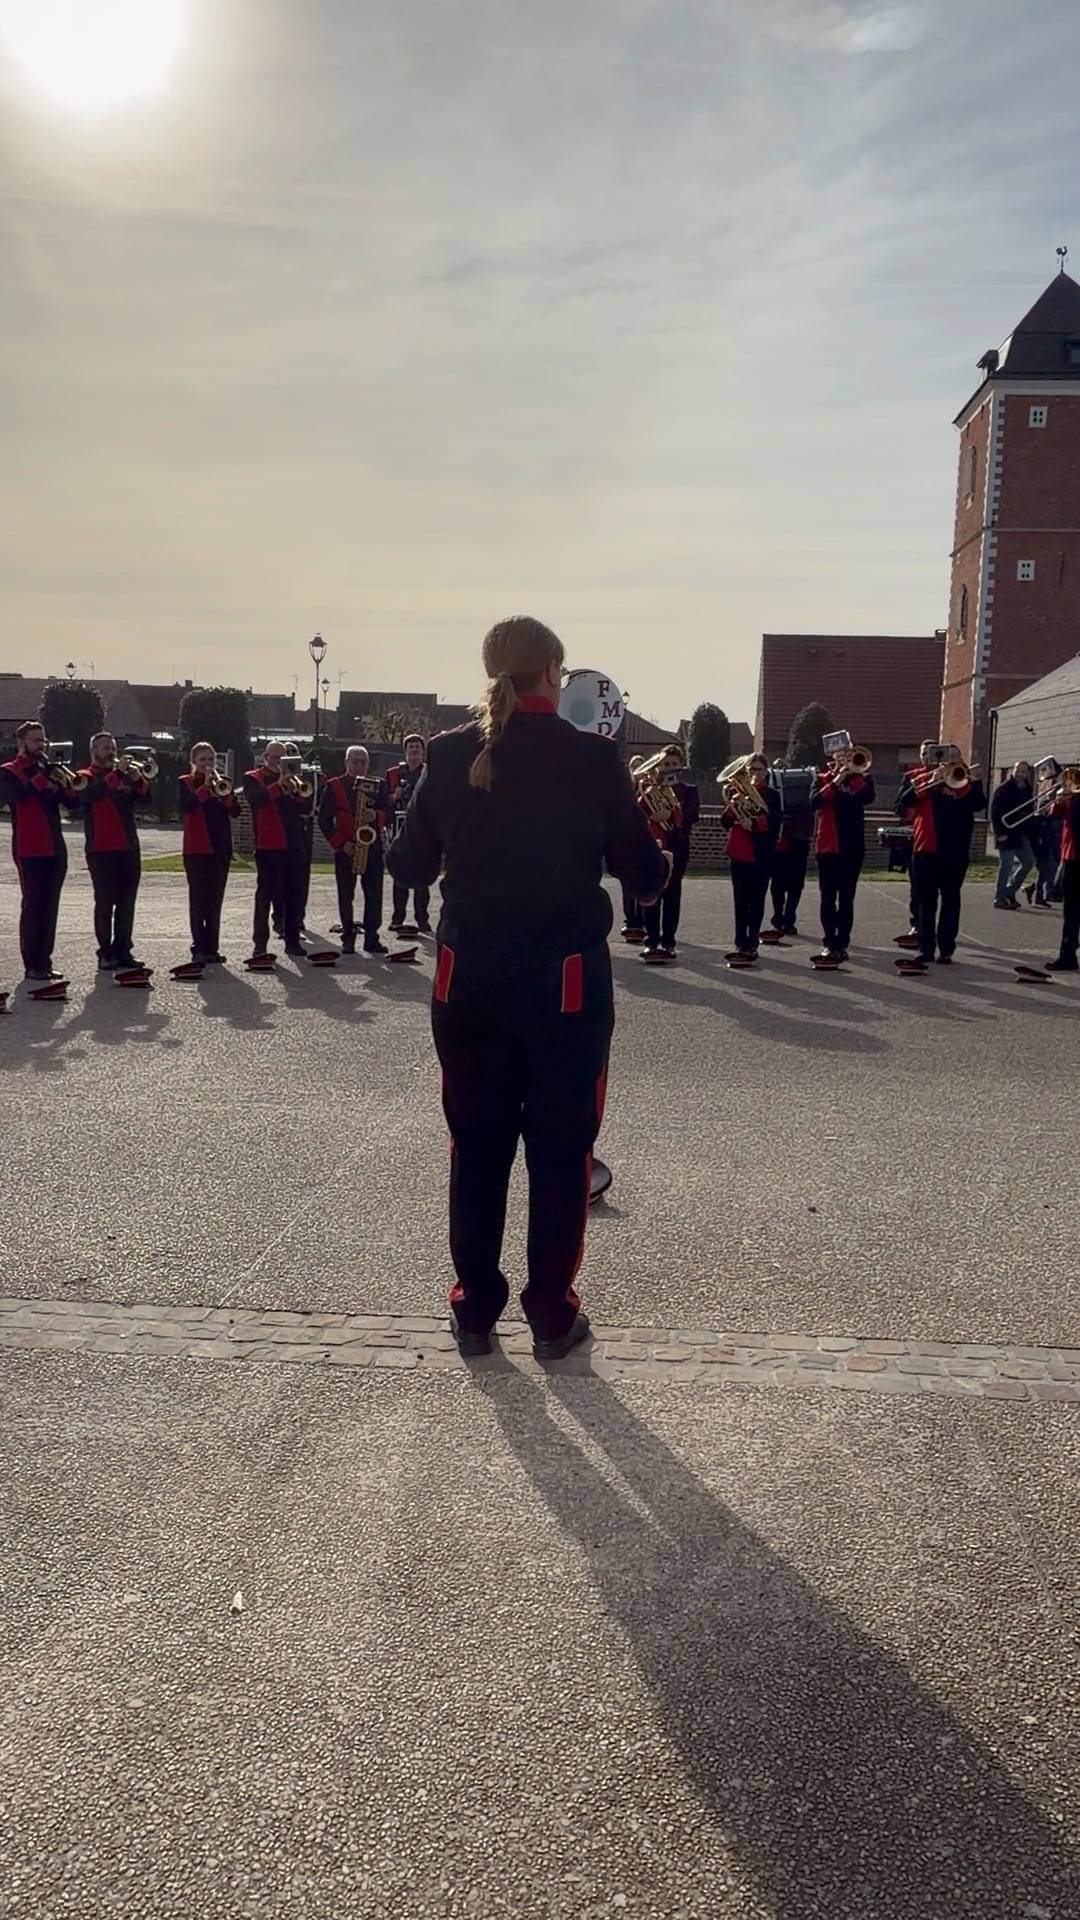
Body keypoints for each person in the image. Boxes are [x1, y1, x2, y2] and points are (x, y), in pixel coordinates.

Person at [386, 613, 669, 1361]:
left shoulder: (446, 757)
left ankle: (474, 1309)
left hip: (470, 980)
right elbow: (645, 879)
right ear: (553, 674)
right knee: (560, 1151)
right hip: (565, 987)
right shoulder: (591, 759)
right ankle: (550, 1313)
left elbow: (407, 868)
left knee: (475, 1146)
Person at [0, 720, 77, 981]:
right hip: (29, 847)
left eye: (43, 740)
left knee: (50, 906)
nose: (41, 745)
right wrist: (42, 777)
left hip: (55, 846)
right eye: (35, 740)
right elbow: (17, 797)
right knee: (33, 906)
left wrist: (64, 782)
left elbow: (74, 802)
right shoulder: (10, 771)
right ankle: (32, 963)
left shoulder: (50, 769)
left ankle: (45, 960)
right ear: (22, 743)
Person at [897, 759, 987, 963]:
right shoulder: (923, 778)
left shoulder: (965, 783)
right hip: (926, 848)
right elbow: (905, 801)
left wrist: (976, 782)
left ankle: (946, 948)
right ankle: (925, 948)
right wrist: (930, 780)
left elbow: (980, 804)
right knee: (925, 902)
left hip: (955, 851)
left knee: (951, 899)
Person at [78, 732, 150, 970]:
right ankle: (105, 952)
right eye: (105, 748)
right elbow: (89, 796)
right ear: (94, 752)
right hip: (101, 848)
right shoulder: (85, 776)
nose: (110, 752)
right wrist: (117, 773)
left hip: (128, 847)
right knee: (105, 902)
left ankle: (123, 950)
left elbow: (146, 800)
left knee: (127, 903)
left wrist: (138, 779)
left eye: (112, 747)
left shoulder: (124, 776)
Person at [317, 746, 390, 955]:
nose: (358, 765)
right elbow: (324, 820)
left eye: (363, 762)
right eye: (354, 761)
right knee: (345, 894)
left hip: (372, 848)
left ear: (368, 764)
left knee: (374, 894)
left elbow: (390, 812)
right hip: (346, 848)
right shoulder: (334, 786)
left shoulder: (379, 786)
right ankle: (348, 936)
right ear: (346, 762)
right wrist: (341, 843)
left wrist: (375, 815)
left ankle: (371, 938)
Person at [242, 739, 312, 957]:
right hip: (268, 844)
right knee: (265, 895)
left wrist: (296, 791)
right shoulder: (253, 778)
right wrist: (278, 786)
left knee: (293, 894)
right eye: (275, 757)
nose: (279, 762)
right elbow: (256, 800)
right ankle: (260, 944)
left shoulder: (296, 780)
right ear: (266, 758)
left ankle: (292, 941)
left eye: (283, 758)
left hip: (292, 844)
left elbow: (307, 807)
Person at [810, 751, 876, 961]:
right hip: (828, 846)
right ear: (833, 759)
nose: (844, 761)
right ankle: (829, 942)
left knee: (847, 898)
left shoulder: (862, 778)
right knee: (828, 897)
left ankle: (842, 941)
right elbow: (815, 802)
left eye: (847, 757)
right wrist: (836, 780)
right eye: (840, 757)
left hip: (852, 846)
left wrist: (854, 776)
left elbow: (869, 798)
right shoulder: (821, 778)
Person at [178, 744, 241, 963]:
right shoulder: (185, 782)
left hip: (220, 848)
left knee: (215, 901)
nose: (207, 764)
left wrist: (226, 796)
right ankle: (198, 947)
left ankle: (212, 947)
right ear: (194, 761)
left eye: (210, 760)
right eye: (203, 760)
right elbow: (186, 806)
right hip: (197, 849)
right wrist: (204, 788)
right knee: (198, 900)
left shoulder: (222, 781)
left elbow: (236, 811)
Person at [639, 742, 698, 960]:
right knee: (651, 895)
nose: (669, 767)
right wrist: (651, 815)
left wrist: (671, 815)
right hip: (653, 847)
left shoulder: (689, 791)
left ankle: (669, 942)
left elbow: (692, 815)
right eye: (665, 764)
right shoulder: (648, 790)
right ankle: (651, 942)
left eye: (673, 764)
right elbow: (636, 815)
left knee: (672, 897)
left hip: (677, 848)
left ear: (681, 766)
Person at [720, 754, 780, 963]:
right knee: (740, 901)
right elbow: (725, 822)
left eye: (759, 769)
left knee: (756, 902)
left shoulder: (772, 796)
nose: (755, 773)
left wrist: (753, 823)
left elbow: (775, 821)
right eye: (752, 769)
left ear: (766, 772)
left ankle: (752, 943)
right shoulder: (736, 792)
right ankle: (740, 942)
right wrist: (733, 805)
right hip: (739, 852)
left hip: (761, 854)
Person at [385, 735, 432, 933]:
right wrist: (393, 796)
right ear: (405, 751)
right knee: (400, 875)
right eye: (410, 747)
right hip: (399, 829)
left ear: (423, 752)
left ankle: (422, 919)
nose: (414, 750)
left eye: (417, 747)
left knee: (422, 877)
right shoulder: (393, 773)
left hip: (423, 830)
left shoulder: (430, 772)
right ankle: (398, 918)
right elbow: (383, 799)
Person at [768, 764, 813, 936]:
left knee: (788, 884)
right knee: (784, 883)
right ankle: (784, 919)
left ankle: (783, 919)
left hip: (795, 838)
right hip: (789, 838)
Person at [991, 762, 1036, 909]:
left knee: (1029, 861)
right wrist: (998, 833)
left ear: (1027, 774)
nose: (1020, 774)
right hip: (1006, 832)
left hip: (1020, 832)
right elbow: (995, 812)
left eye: (1023, 772)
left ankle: (1009, 891)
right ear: (1013, 771)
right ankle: (999, 898)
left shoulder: (1028, 790)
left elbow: (1029, 813)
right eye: (1018, 771)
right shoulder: (1004, 789)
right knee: (1006, 865)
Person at [1046, 780, 1080, 972]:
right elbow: (1053, 815)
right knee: (1071, 910)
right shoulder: (1072, 797)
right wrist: (1059, 800)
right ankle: (1068, 954)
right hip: (1072, 856)